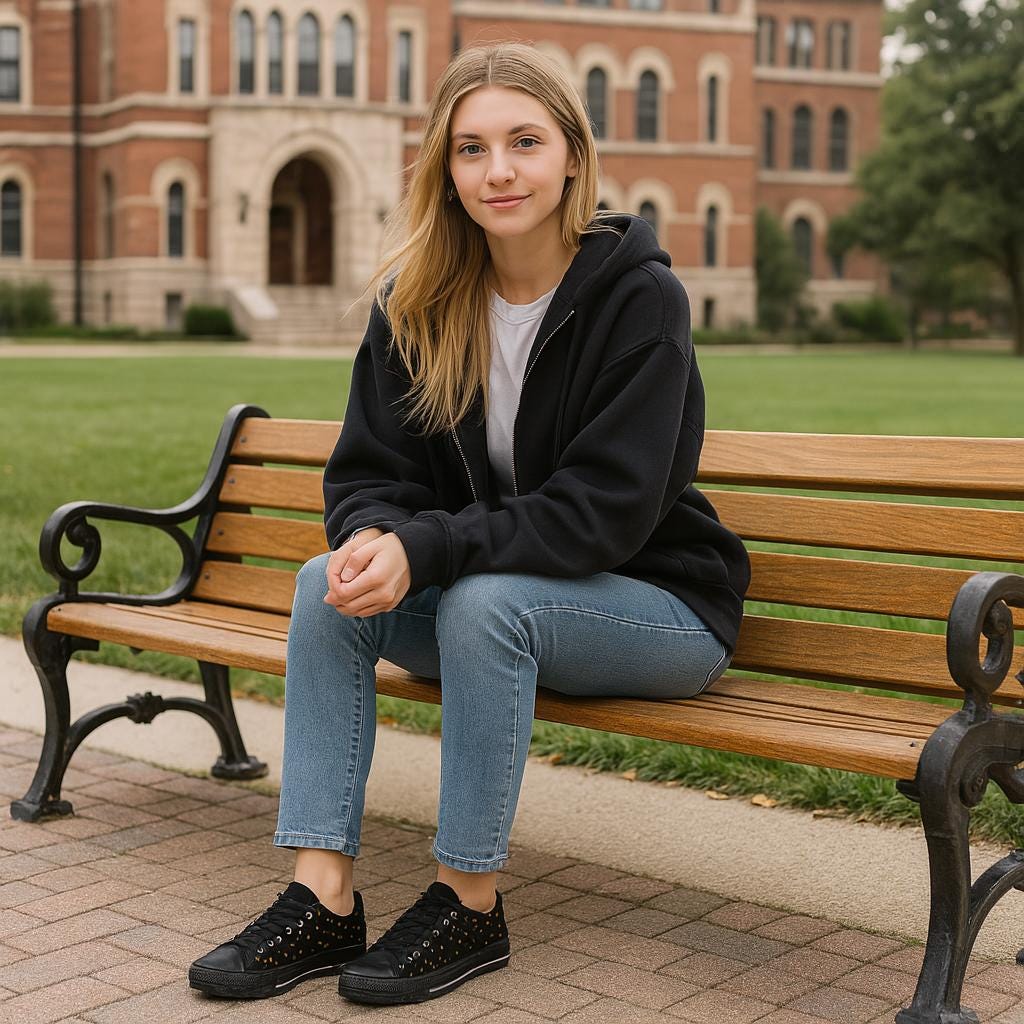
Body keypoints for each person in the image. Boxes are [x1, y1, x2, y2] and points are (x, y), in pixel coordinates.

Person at [188, 40, 751, 1008]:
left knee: (486, 603)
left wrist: (430, 546)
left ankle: (468, 899)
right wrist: (373, 536)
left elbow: (603, 514)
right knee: (326, 583)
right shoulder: (417, 300)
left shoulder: (637, 296)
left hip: (657, 608)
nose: (498, 171)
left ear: (571, 153)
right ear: (443, 169)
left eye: (524, 142)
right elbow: (368, 473)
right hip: (499, 599)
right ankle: (320, 891)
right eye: (471, 148)